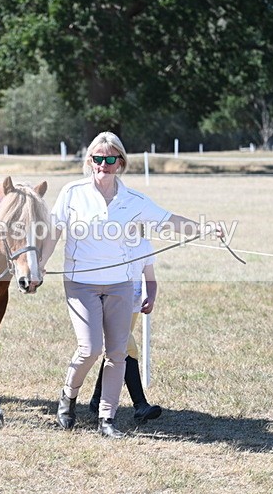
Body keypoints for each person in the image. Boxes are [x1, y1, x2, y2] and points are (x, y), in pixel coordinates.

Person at [39, 131, 222, 438]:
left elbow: (168, 221)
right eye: (97, 159)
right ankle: (68, 396)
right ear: (89, 161)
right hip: (80, 283)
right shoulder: (73, 192)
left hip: (121, 285)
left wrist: (204, 228)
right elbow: (54, 232)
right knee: (90, 348)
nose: (103, 165)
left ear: (120, 163)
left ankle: (106, 419)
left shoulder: (133, 200)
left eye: (110, 159)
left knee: (117, 353)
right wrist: (41, 265)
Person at [88, 238, 162, 424]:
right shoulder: (109, 243)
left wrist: (151, 297)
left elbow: (150, 279)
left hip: (133, 308)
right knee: (128, 350)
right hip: (111, 305)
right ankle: (140, 405)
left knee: (115, 351)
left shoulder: (144, 246)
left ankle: (97, 400)